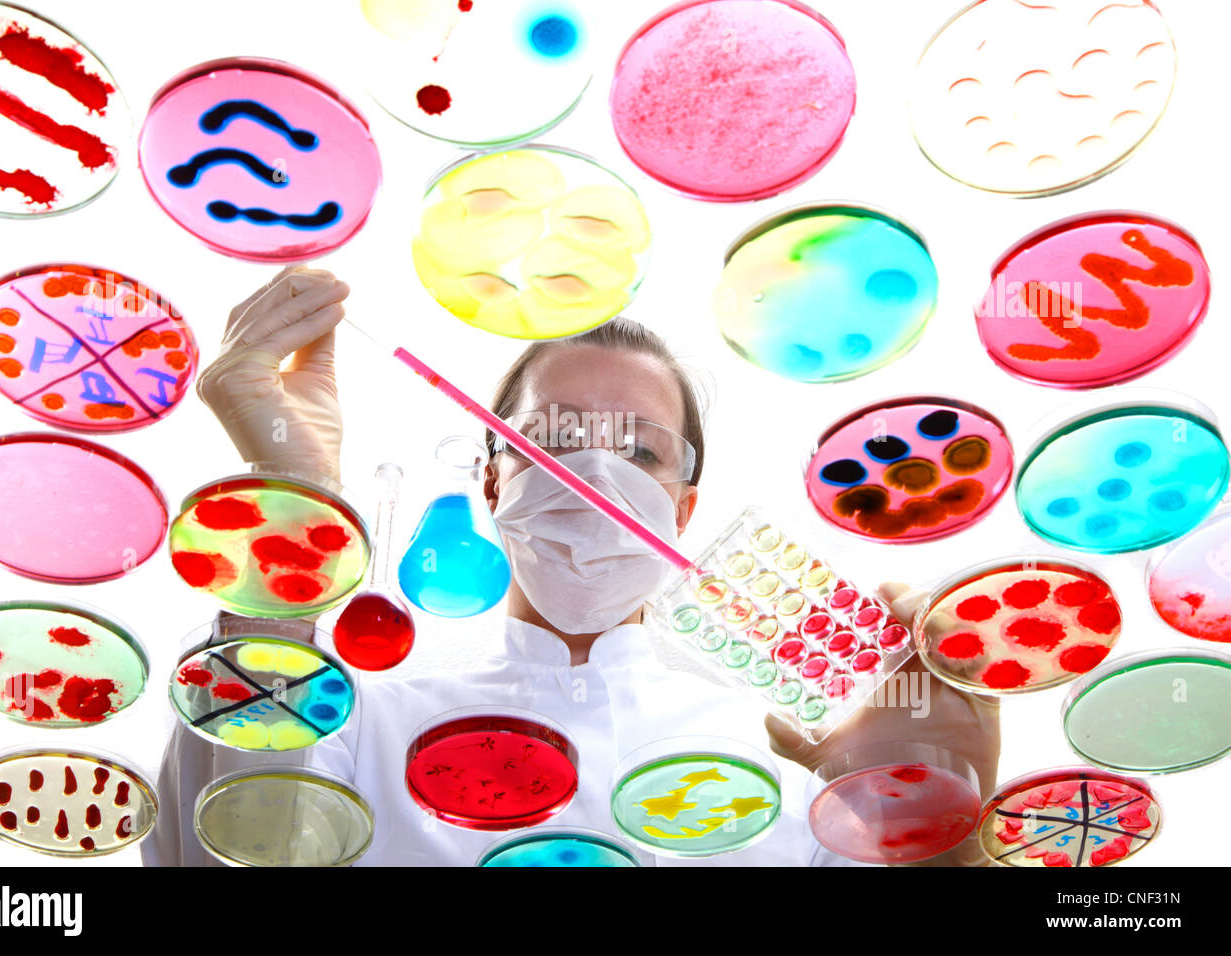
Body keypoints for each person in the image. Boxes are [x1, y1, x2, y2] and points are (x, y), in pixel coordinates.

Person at [143, 266, 1000, 867]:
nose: (593, 474)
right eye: (552, 440)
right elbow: (213, 850)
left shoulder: (790, 762)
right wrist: (293, 496)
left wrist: (940, 830)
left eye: (640, 452)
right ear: (492, 483)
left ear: (682, 509)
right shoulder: (353, 723)